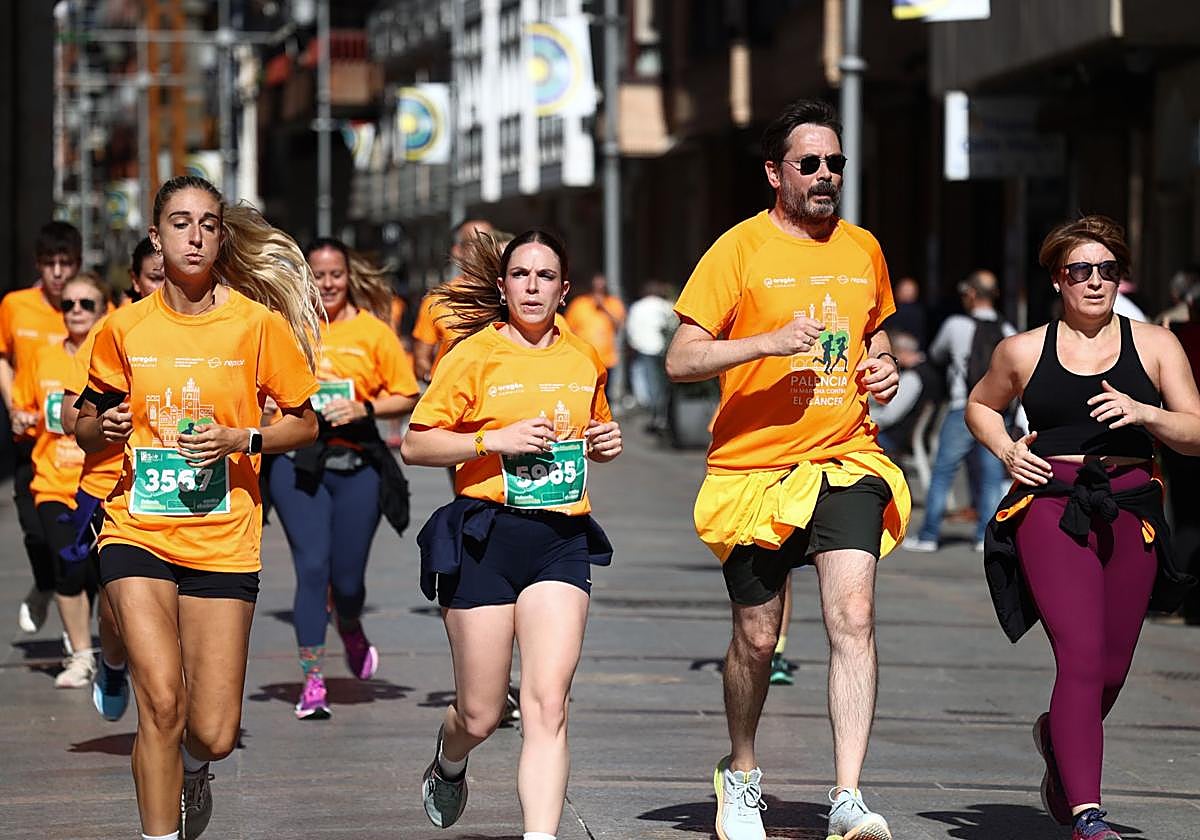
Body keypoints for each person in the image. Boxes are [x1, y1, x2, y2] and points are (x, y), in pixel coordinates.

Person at [665, 98, 910, 840]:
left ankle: (847, 796)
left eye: (836, 162)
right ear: (776, 173)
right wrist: (764, 343)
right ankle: (740, 772)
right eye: (810, 163)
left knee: (853, 618)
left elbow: (875, 338)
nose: (826, 173)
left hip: (845, 457)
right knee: (757, 636)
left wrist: (885, 367)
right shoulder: (738, 249)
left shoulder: (864, 249)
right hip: (754, 471)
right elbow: (681, 359)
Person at [74, 175, 321, 840]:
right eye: (180, 223)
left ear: (221, 237)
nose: (195, 236)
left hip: (222, 538)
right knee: (161, 702)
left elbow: (305, 423)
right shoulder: (123, 327)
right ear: (156, 238)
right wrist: (104, 428)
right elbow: (85, 422)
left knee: (213, 731)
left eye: (208, 224)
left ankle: (194, 767)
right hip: (137, 530)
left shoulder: (256, 325)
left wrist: (244, 438)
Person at [967, 215, 1199, 840]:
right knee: (1081, 655)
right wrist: (1006, 449)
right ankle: (1087, 815)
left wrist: (1144, 412)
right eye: (1080, 271)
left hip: (1130, 508)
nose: (1095, 282)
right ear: (1057, 279)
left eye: (1108, 271)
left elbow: (1195, 431)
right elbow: (980, 404)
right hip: (1052, 505)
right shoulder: (1022, 350)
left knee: (1113, 669)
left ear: (1121, 278)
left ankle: (1056, 737)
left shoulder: (1157, 345)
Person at [401, 229, 622, 840]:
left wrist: (604, 442)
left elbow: (594, 431)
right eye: (520, 275)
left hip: (560, 539)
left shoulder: (583, 357)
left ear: (563, 289)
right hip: (484, 538)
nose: (531, 287)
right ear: (502, 287)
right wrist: (491, 441)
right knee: (481, 713)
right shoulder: (472, 355)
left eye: (545, 276)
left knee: (548, 704)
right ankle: (450, 759)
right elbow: (416, 444)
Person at [268, 237, 419, 720]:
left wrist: (363, 408)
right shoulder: (286, 328)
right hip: (299, 465)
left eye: (336, 274)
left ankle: (349, 623)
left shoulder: (374, 332)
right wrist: (270, 406)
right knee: (313, 567)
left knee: (347, 581)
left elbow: (407, 395)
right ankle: (312, 680)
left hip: (357, 466)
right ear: (305, 278)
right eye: (319, 274)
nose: (328, 283)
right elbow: (256, 386)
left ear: (349, 277)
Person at [10, 272, 109, 688]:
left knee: (99, 575)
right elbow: (23, 408)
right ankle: (81, 656)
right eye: (68, 304)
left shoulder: (112, 357)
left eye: (87, 304)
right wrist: (21, 419)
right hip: (52, 482)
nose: (76, 311)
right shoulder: (43, 358)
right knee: (68, 565)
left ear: (103, 310)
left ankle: (107, 652)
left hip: (100, 483)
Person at [1, 221, 80, 635]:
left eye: (66, 263)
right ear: (38, 264)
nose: (58, 272)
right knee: (35, 531)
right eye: (50, 263)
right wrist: (13, 406)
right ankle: (46, 583)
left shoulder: (86, 305)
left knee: (72, 540)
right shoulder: (15, 305)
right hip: (30, 439)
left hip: (74, 446)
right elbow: (3, 358)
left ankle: (75, 629)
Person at [903, 270, 1013, 553]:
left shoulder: (955, 325)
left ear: (971, 294)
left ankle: (929, 535)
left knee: (943, 472)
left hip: (962, 408)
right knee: (991, 476)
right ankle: (984, 537)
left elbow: (937, 355)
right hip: (995, 412)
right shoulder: (1008, 331)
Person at [412, 218, 495, 382]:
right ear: (458, 251)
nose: (482, 248)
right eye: (474, 243)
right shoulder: (438, 299)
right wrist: (437, 382)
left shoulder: (507, 294)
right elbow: (421, 359)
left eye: (488, 241)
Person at [624, 281, 675, 430]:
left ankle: (655, 413)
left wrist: (634, 344)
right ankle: (661, 413)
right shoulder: (665, 306)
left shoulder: (637, 306)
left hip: (645, 348)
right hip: (663, 348)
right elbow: (673, 324)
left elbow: (631, 328)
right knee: (663, 382)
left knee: (649, 381)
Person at [565, 272, 625, 383]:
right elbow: (568, 330)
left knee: (604, 390)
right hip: (584, 358)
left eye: (601, 289)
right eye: (596, 288)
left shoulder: (613, 303)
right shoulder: (579, 304)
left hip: (606, 359)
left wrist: (604, 309)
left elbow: (619, 325)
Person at [887, 276, 927, 348]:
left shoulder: (890, 310)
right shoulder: (890, 310)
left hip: (907, 346)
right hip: (897, 344)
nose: (908, 293)